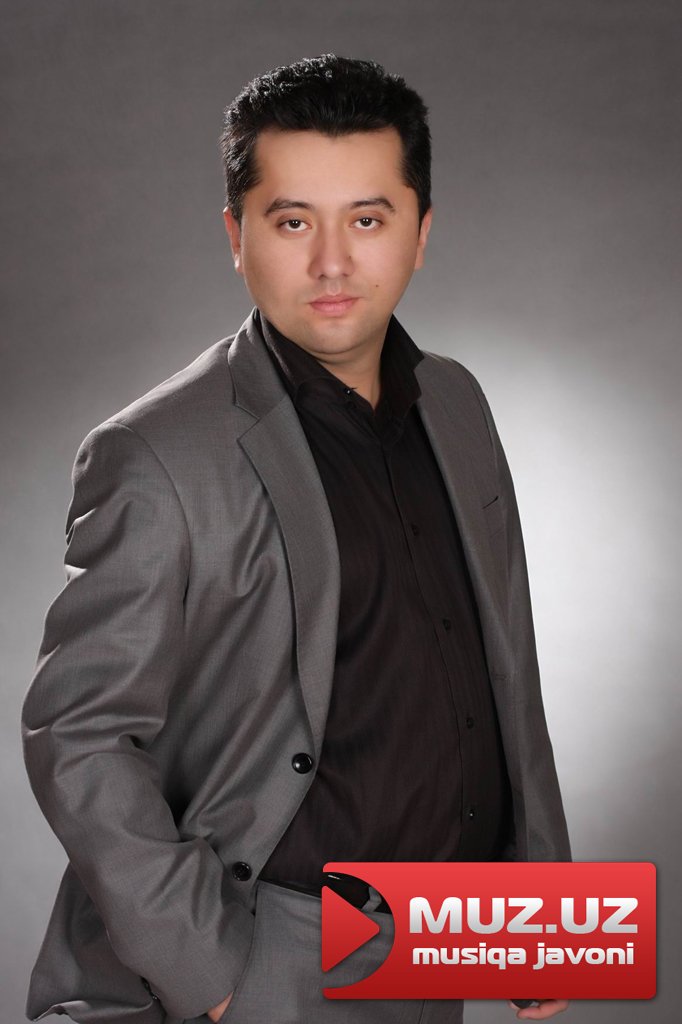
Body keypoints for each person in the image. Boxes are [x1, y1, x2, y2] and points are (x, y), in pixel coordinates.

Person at [22, 54, 571, 1024]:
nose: (331, 263)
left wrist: (540, 916)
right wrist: (212, 970)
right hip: (267, 951)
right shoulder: (152, 452)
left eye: (367, 219)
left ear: (420, 233)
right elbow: (78, 733)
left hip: (436, 941)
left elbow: (506, 665)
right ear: (236, 237)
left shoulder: (456, 402)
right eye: (291, 222)